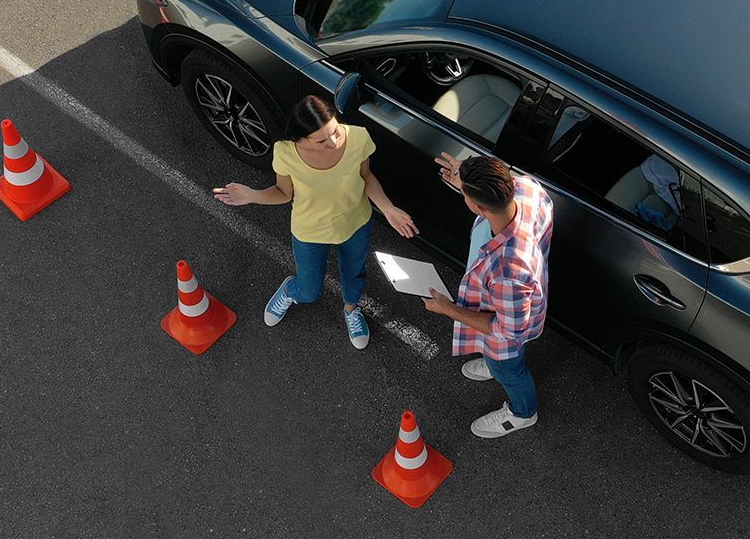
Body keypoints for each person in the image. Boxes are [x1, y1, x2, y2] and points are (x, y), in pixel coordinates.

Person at [213, 95, 417, 349]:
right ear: (301, 138)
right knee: (309, 291)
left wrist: (387, 208)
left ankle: (352, 310)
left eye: (334, 131)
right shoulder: (286, 152)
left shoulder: (358, 137)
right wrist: (252, 196)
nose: (333, 141)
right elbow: (283, 193)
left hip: (355, 223)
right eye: (321, 139)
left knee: (354, 275)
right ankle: (291, 290)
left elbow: (366, 176)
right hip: (310, 230)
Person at [421, 153, 554, 438]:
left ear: (478, 206)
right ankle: (496, 367)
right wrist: (466, 179)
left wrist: (448, 309)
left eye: (465, 194)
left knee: (509, 368)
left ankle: (522, 413)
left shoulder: (509, 271)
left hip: (506, 330)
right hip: (517, 304)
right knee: (504, 359)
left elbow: (508, 331)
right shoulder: (526, 188)